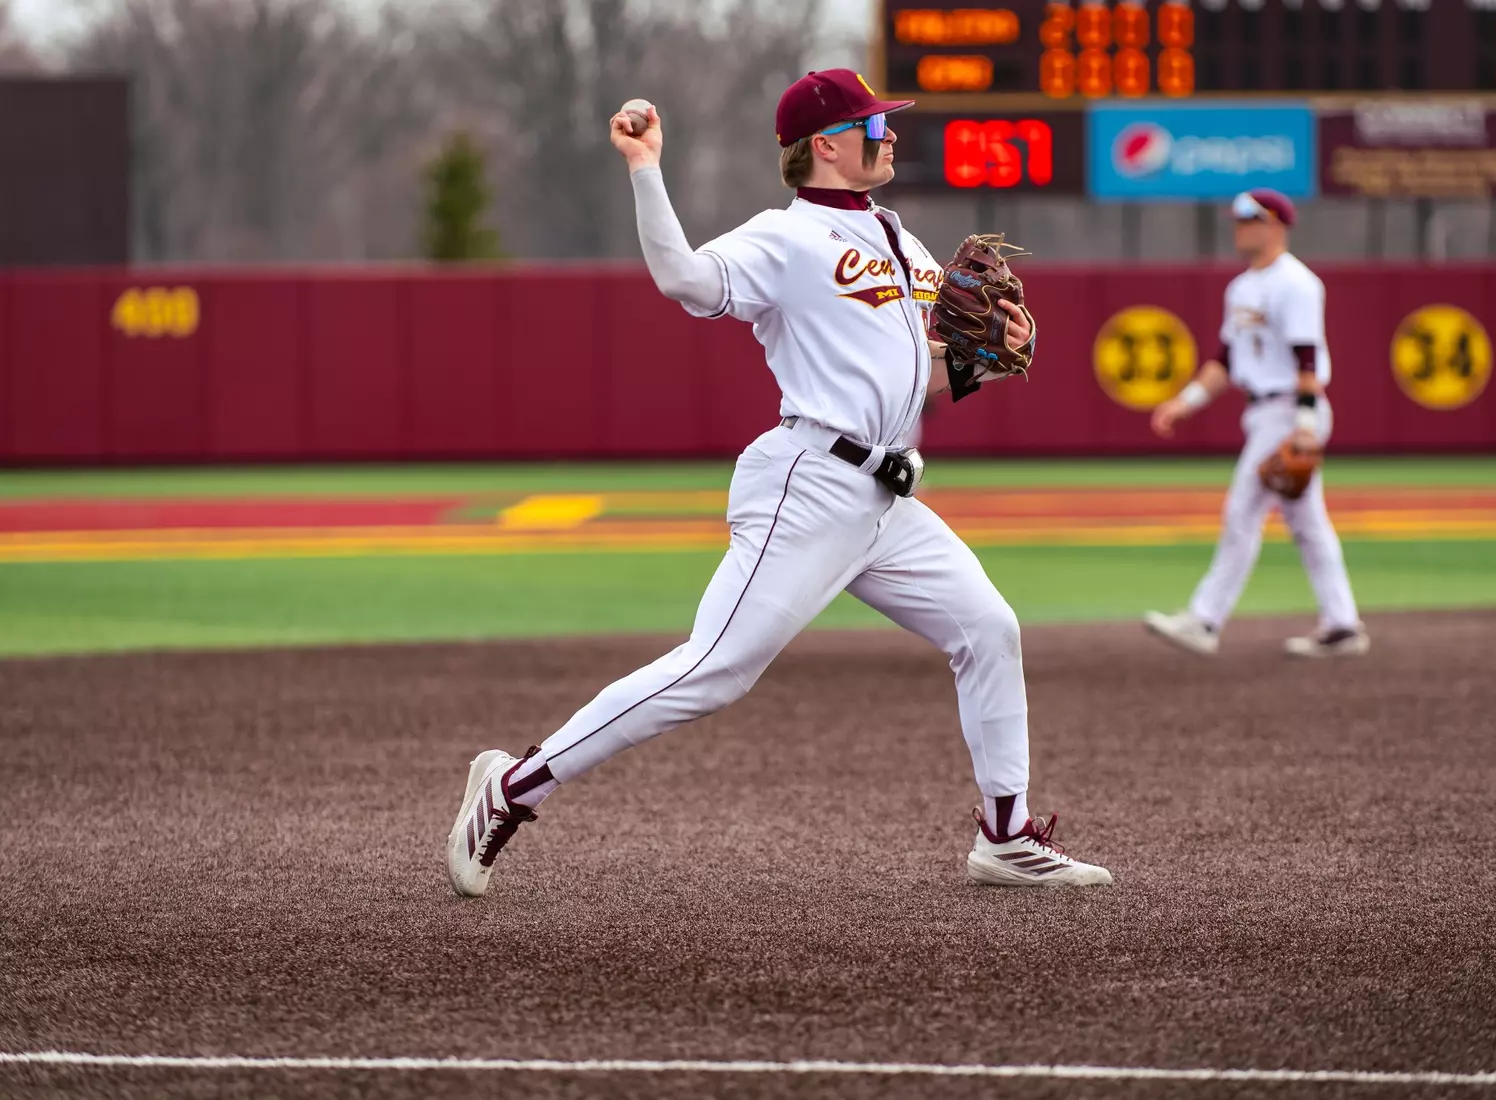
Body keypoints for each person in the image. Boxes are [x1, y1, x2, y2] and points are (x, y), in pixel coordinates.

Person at [444, 70, 1113, 896]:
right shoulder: (784, 237)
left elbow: (920, 372)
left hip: (885, 498)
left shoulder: (902, 241)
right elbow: (685, 282)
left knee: (988, 627)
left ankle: (1005, 837)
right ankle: (511, 788)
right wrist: (646, 167)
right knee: (712, 671)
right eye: (874, 124)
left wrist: (988, 355)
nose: (891, 134)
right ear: (827, 145)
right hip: (811, 484)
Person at [1143, 189, 1369, 659]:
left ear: (1276, 225)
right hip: (1263, 409)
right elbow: (1224, 360)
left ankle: (1205, 619)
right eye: (1238, 219)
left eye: (1250, 218)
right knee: (1307, 523)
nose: (1239, 226)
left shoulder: (1296, 283)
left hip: (1291, 410)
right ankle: (1343, 623)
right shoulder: (1242, 287)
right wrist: (1183, 403)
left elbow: (1307, 357)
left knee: (1243, 511)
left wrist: (1305, 425)